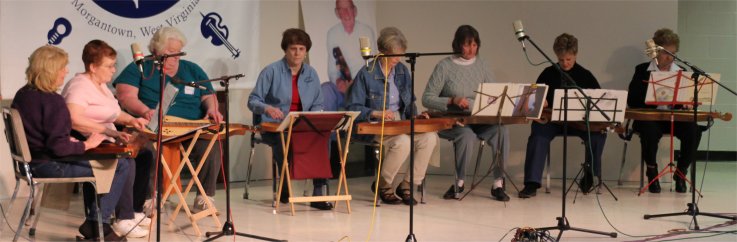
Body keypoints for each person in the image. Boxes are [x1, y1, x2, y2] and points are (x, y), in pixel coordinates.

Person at [11, 45, 129, 241]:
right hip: (49, 166)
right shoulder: (52, 101)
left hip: (28, 165)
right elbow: (59, 148)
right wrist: (86, 145)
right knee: (119, 165)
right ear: (50, 70)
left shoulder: (22, 95)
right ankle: (99, 226)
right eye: (62, 67)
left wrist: (69, 140)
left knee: (101, 166)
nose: (66, 71)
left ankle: (94, 226)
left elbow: (43, 135)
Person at [114, 26, 223, 210]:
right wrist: (144, 111)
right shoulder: (140, 68)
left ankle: (205, 196)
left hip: (189, 126)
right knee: (146, 147)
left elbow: (208, 95)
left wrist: (213, 109)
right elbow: (125, 97)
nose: (175, 58)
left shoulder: (192, 69)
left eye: (178, 53)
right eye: (170, 53)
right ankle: (150, 196)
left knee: (210, 144)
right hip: (151, 125)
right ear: (156, 50)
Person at [61, 39, 153, 238]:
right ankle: (123, 218)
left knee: (145, 154)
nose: (113, 70)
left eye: (114, 65)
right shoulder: (79, 86)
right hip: (87, 141)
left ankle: (135, 211)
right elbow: (73, 119)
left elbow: (113, 113)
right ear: (93, 67)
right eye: (109, 66)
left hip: (106, 137)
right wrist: (109, 132)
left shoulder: (100, 85)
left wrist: (133, 119)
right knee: (126, 158)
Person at [346, 27, 438, 205]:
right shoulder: (367, 73)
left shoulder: (403, 71)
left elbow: (410, 103)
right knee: (403, 142)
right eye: (394, 55)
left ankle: (407, 185)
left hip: (400, 122)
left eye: (400, 55)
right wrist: (375, 112)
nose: (398, 59)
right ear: (382, 52)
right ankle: (383, 184)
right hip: (374, 124)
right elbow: (352, 107)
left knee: (430, 138)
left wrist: (417, 117)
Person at [422, 25, 511, 202]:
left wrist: (475, 104)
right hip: (453, 122)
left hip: (479, 120)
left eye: (474, 45)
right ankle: (459, 182)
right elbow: (427, 98)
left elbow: (493, 95)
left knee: (502, 131)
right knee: (466, 135)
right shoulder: (444, 66)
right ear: (457, 45)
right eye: (466, 45)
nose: (471, 49)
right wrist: (451, 100)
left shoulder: (483, 64)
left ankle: (498, 183)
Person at [248, 28, 333, 210]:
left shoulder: (312, 73)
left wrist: (315, 116)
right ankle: (285, 186)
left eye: (301, 49)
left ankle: (319, 192)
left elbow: (318, 103)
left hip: (302, 126)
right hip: (275, 127)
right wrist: (267, 108)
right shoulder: (271, 71)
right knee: (284, 139)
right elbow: (253, 100)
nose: (297, 53)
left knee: (324, 139)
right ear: (285, 50)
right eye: (293, 48)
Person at [517, 33, 607, 198]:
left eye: (569, 59)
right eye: (561, 60)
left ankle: (589, 173)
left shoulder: (585, 75)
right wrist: (538, 104)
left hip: (579, 122)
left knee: (597, 134)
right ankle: (531, 183)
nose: (565, 63)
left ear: (575, 55)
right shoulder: (547, 73)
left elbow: (598, 102)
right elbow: (532, 102)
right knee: (538, 134)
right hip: (553, 122)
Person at [627, 28, 698, 193]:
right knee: (649, 131)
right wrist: (652, 98)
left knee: (693, 130)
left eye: (673, 53)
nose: (670, 57)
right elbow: (632, 100)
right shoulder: (642, 70)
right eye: (666, 53)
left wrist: (686, 104)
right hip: (650, 120)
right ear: (655, 52)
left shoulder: (681, 72)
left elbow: (687, 100)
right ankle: (652, 172)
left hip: (674, 119)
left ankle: (681, 172)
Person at [323, 0, 376, 111]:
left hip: (362, 86)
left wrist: (356, 85)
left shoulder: (366, 31)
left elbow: (373, 64)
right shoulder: (332, 33)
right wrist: (339, 82)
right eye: (341, 10)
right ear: (337, 13)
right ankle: (327, 127)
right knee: (326, 89)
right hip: (344, 87)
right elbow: (333, 68)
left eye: (349, 8)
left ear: (355, 10)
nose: (346, 13)